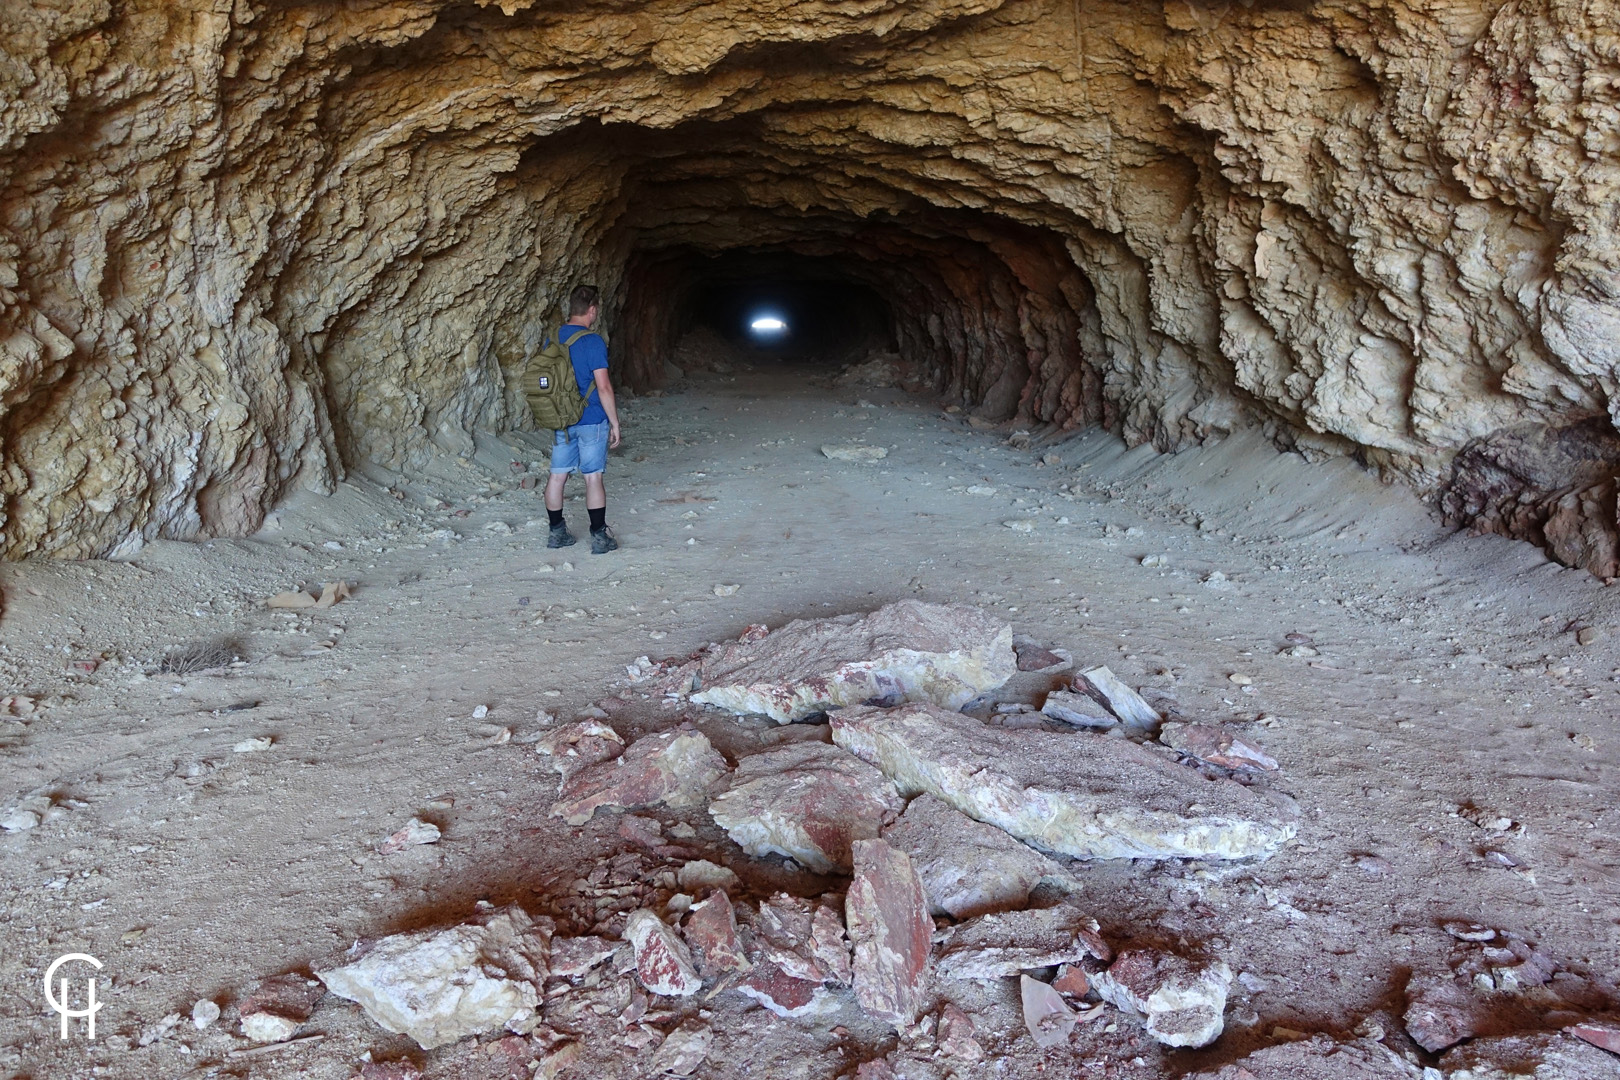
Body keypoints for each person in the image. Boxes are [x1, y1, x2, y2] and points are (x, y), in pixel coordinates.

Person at [544, 284, 621, 554]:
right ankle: (599, 538)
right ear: (591, 310)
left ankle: (556, 533)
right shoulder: (592, 341)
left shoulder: (552, 339)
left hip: (562, 420)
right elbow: (604, 387)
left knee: (557, 477)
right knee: (592, 478)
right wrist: (614, 422)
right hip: (591, 419)